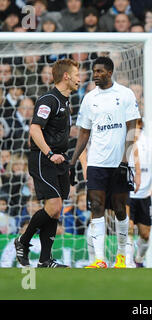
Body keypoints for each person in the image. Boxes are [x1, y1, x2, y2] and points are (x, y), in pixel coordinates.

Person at [69, 56, 141, 269]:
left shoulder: (125, 94)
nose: (96, 75)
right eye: (94, 71)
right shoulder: (90, 98)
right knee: (97, 207)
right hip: (97, 163)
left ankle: (121, 255)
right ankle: (99, 259)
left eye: (100, 71)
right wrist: (73, 161)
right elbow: (83, 132)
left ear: (109, 72)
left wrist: (126, 160)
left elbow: (132, 128)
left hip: (119, 162)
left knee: (119, 208)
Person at [14, 58, 80, 268]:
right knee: (53, 208)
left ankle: (45, 260)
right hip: (45, 159)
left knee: (56, 210)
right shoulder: (48, 100)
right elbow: (34, 129)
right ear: (66, 76)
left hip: (60, 159)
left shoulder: (66, 100)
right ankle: (23, 242)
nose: (80, 79)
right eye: (77, 75)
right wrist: (50, 153)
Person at [126, 119, 152, 268]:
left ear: (140, 125)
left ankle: (139, 258)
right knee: (127, 227)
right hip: (127, 192)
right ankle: (127, 261)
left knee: (145, 234)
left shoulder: (149, 142)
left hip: (144, 194)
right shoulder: (124, 142)